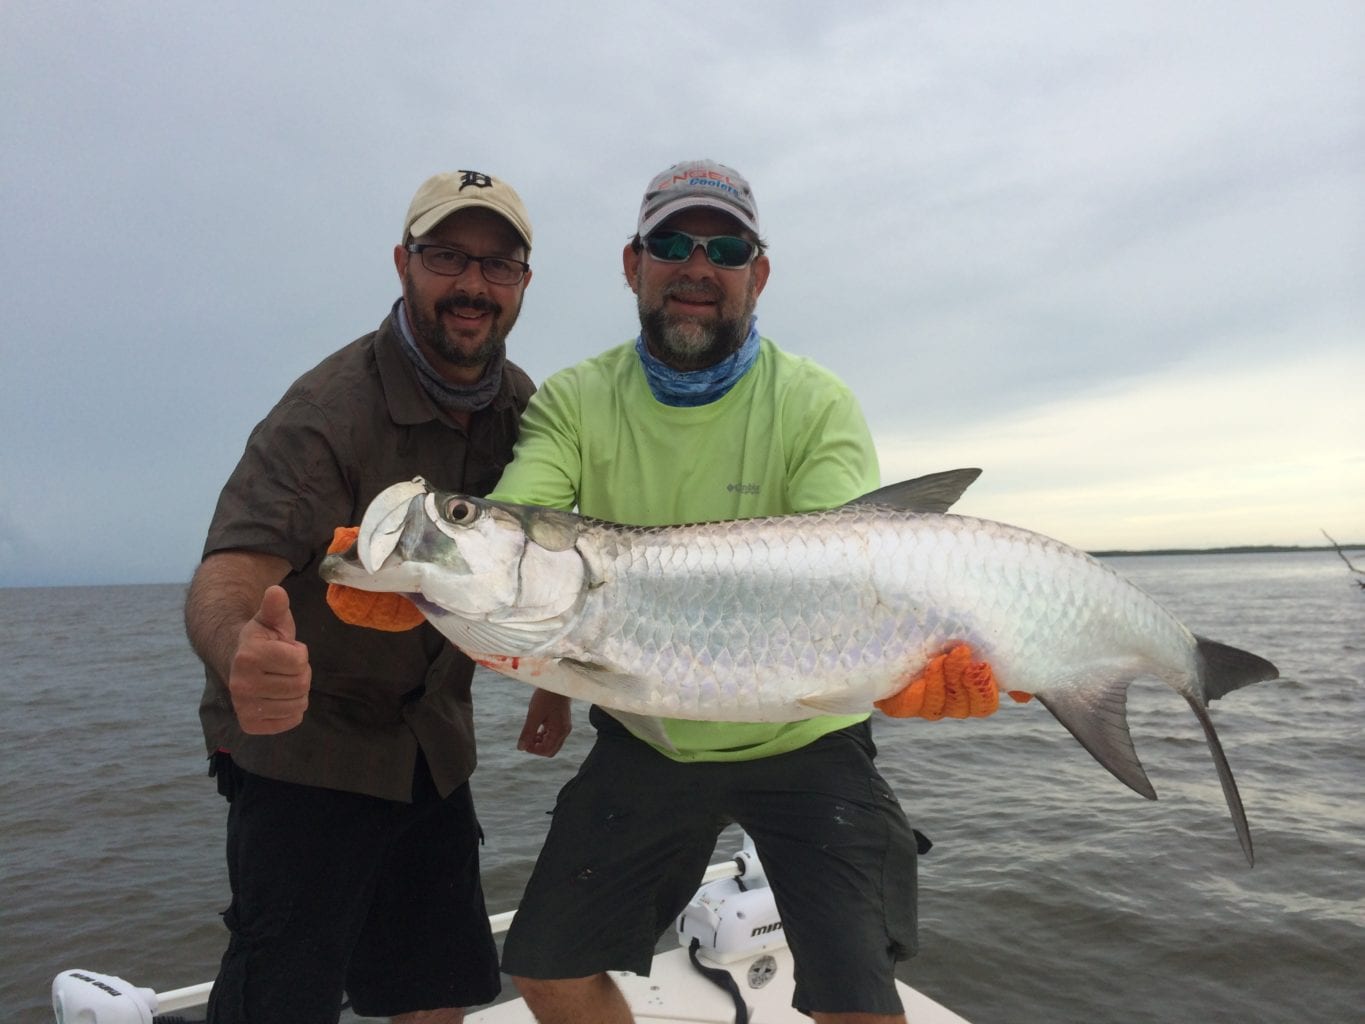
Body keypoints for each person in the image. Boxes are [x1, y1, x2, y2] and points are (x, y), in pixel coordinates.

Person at [492, 160, 997, 1024]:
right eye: (670, 245)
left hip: (811, 733)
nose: (697, 267)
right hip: (650, 732)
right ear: (631, 264)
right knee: (544, 968)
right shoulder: (574, 400)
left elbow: (836, 586)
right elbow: (523, 530)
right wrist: (430, 576)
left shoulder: (813, 404)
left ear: (756, 274)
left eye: (724, 247)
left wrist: (911, 664)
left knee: (859, 1001)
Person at [183, 168, 546, 1024]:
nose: (471, 284)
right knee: (281, 998)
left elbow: (547, 560)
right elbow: (229, 570)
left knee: (436, 991)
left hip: (432, 745)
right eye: (446, 255)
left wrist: (552, 682)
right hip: (304, 748)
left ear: (523, 284)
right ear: (402, 263)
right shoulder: (325, 414)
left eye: (498, 265)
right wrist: (241, 650)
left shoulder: (522, 409)